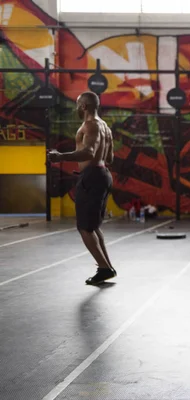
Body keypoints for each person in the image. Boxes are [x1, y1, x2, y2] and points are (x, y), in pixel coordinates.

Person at [47, 91, 116, 286]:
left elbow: (88, 151)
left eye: (78, 105)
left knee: (84, 228)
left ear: (84, 106)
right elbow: (110, 158)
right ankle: (107, 266)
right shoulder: (105, 128)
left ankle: (104, 268)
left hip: (93, 176)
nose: (76, 108)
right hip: (103, 175)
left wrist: (60, 157)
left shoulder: (90, 125)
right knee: (93, 226)